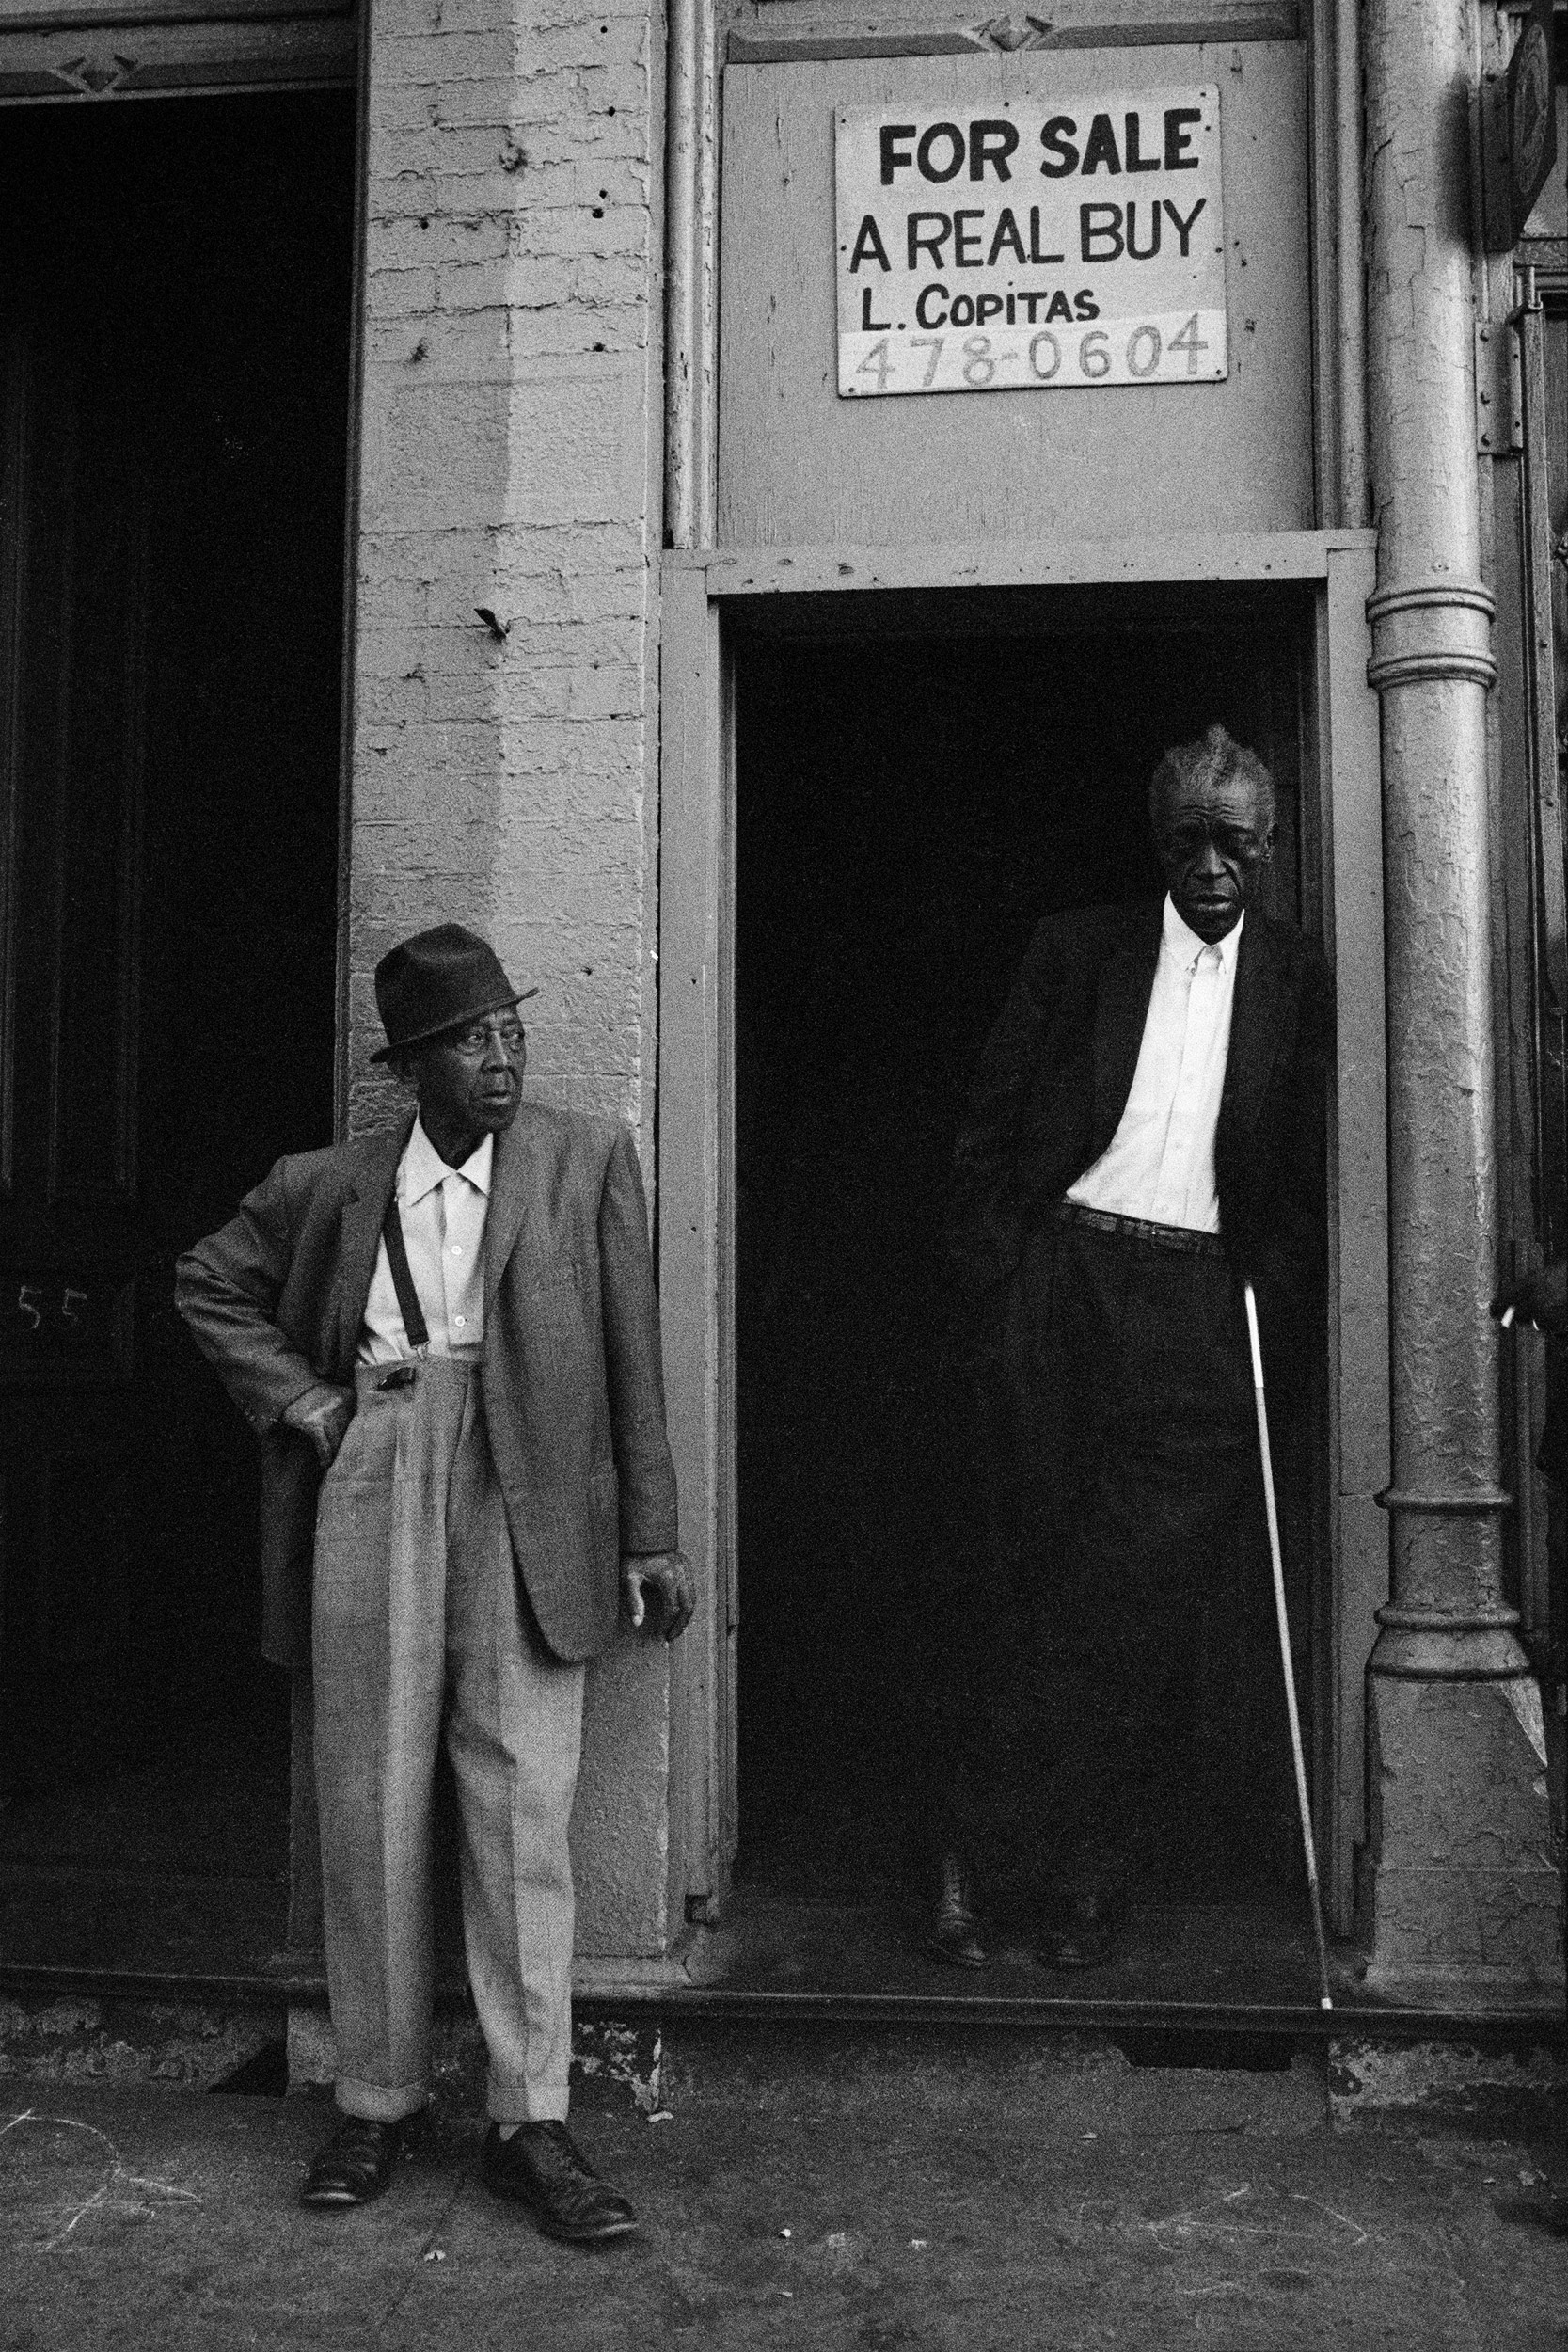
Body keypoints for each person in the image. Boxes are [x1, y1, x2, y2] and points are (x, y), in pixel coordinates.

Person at [177, 923, 693, 2242]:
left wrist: (652, 1532)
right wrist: (304, 1404)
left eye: (512, 1030)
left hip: (532, 1494)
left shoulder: (584, 1162)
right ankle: (378, 2098)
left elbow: (636, 1355)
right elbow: (206, 1282)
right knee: (370, 1793)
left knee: (524, 1799)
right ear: (414, 1065)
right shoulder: (331, 1186)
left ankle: (533, 2119)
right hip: (378, 1460)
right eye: (474, 1038)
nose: (505, 1055)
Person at [937, 724, 1332, 1969]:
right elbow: (989, 1133)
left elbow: (1301, 1177)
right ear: (1156, 844)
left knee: (1132, 1606)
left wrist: (1259, 1309)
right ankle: (969, 1862)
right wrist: (1001, 1291)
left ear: (1271, 847)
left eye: (1236, 843)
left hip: (1196, 1308)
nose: (1211, 867)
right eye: (1187, 842)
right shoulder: (1078, 950)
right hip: (1062, 1282)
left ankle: (1078, 1871)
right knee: (1030, 1576)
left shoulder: (1296, 975)